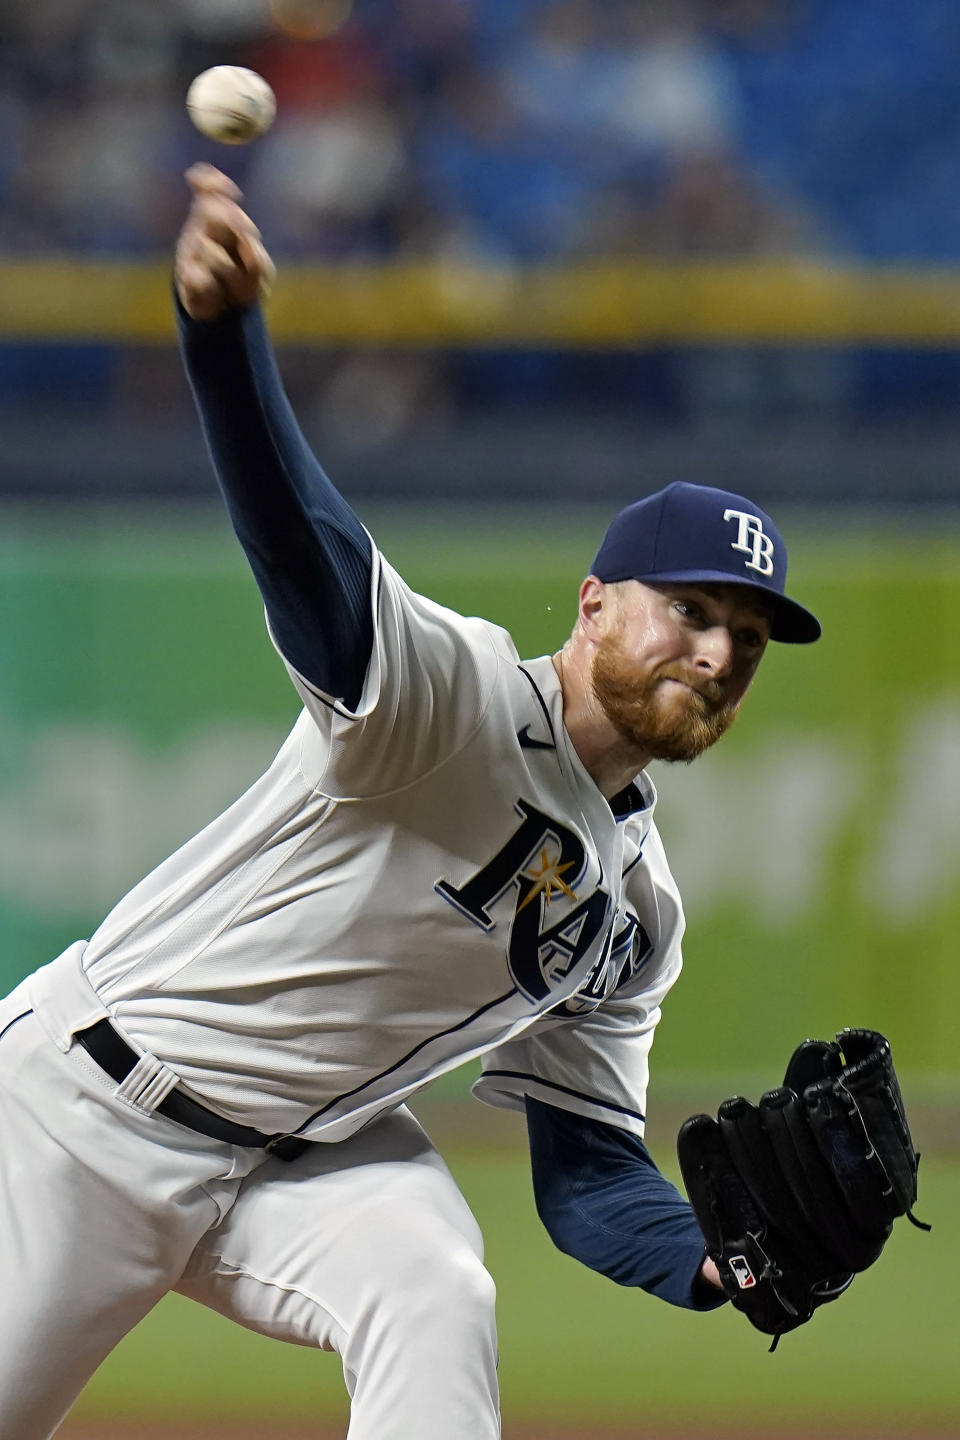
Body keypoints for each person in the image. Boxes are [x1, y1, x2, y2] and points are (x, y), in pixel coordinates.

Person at [0, 165, 821, 1440]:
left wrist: (715, 1260)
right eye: (693, 612)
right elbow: (301, 544)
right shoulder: (458, 694)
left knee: (434, 1284)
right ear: (597, 601)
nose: (717, 655)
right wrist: (223, 343)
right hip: (83, 1113)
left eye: (748, 641)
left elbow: (589, 1167)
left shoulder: (636, 911)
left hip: (309, 1156)